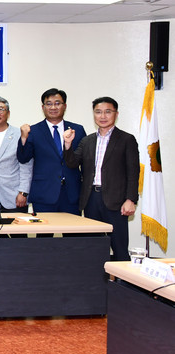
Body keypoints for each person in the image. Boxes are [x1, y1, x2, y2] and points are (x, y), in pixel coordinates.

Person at [63, 97, 139, 261]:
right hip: (91, 199)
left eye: (107, 112)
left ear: (116, 114)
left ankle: (121, 276)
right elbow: (72, 163)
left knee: (119, 247)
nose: (102, 116)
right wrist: (68, 144)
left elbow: (133, 172)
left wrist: (130, 199)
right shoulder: (87, 140)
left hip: (116, 201)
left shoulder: (127, 139)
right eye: (98, 112)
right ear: (94, 115)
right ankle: (96, 277)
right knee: (93, 247)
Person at [17, 88, 86, 214]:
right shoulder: (34, 131)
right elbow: (23, 158)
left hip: (71, 193)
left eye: (57, 103)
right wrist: (23, 138)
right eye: (49, 104)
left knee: (73, 227)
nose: (53, 107)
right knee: (44, 227)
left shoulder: (78, 130)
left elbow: (84, 161)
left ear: (65, 106)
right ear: (43, 107)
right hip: (44, 194)